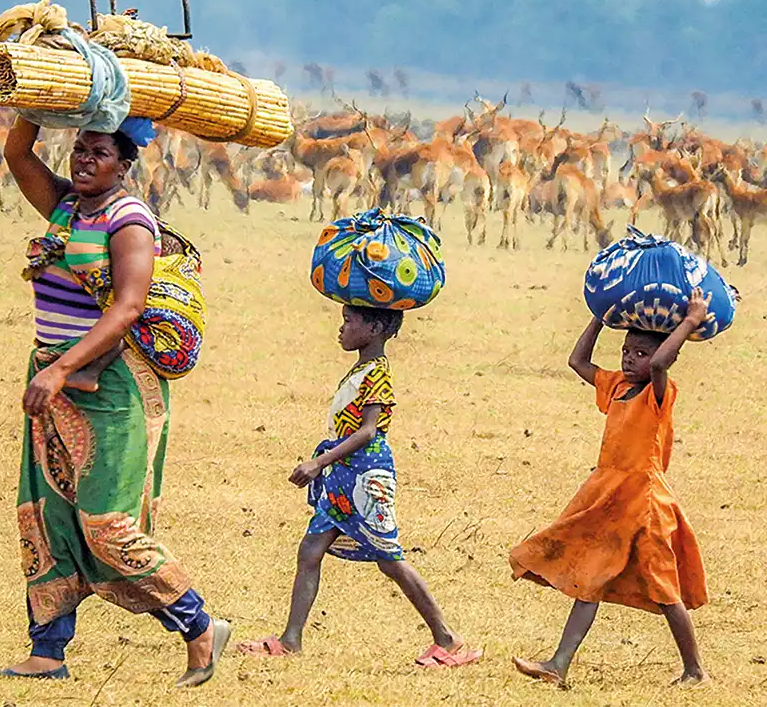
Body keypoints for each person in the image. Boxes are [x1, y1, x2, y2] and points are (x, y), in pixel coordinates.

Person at [0, 116, 230, 687]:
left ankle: (199, 626)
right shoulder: (67, 209)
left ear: (124, 166)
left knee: (105, 519)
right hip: (52, 378)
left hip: (111, 384)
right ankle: (47, 651)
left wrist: (62, 369)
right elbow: (18, 155)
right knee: (47, 516)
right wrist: (39, 102)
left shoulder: (129, 222)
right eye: (78, 149)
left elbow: (125, 309)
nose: (83, 160)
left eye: (98, 152)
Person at [237, 305, 481, 667]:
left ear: (376, 327)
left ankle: (447, 638)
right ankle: (291, 639)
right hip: (344, 472)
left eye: (349, 322)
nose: (341, 329)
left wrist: (319, 462)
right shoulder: (363, 368)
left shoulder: (378, 374)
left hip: (365, 474)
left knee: (389, 559)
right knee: (310, 551)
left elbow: (368, 431)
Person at [510, 287, 711, 689]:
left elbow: (659, 365)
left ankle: (695, 670)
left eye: (640, 353)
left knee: (664, 588)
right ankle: (558, 664)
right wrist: (599, 317)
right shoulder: (617, 386)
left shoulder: (659, 392)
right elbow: (576, 361)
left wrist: (690, 321)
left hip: (646, 501)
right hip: (611, 496)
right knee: (592, 577)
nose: (631, 359)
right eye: (626, 351)